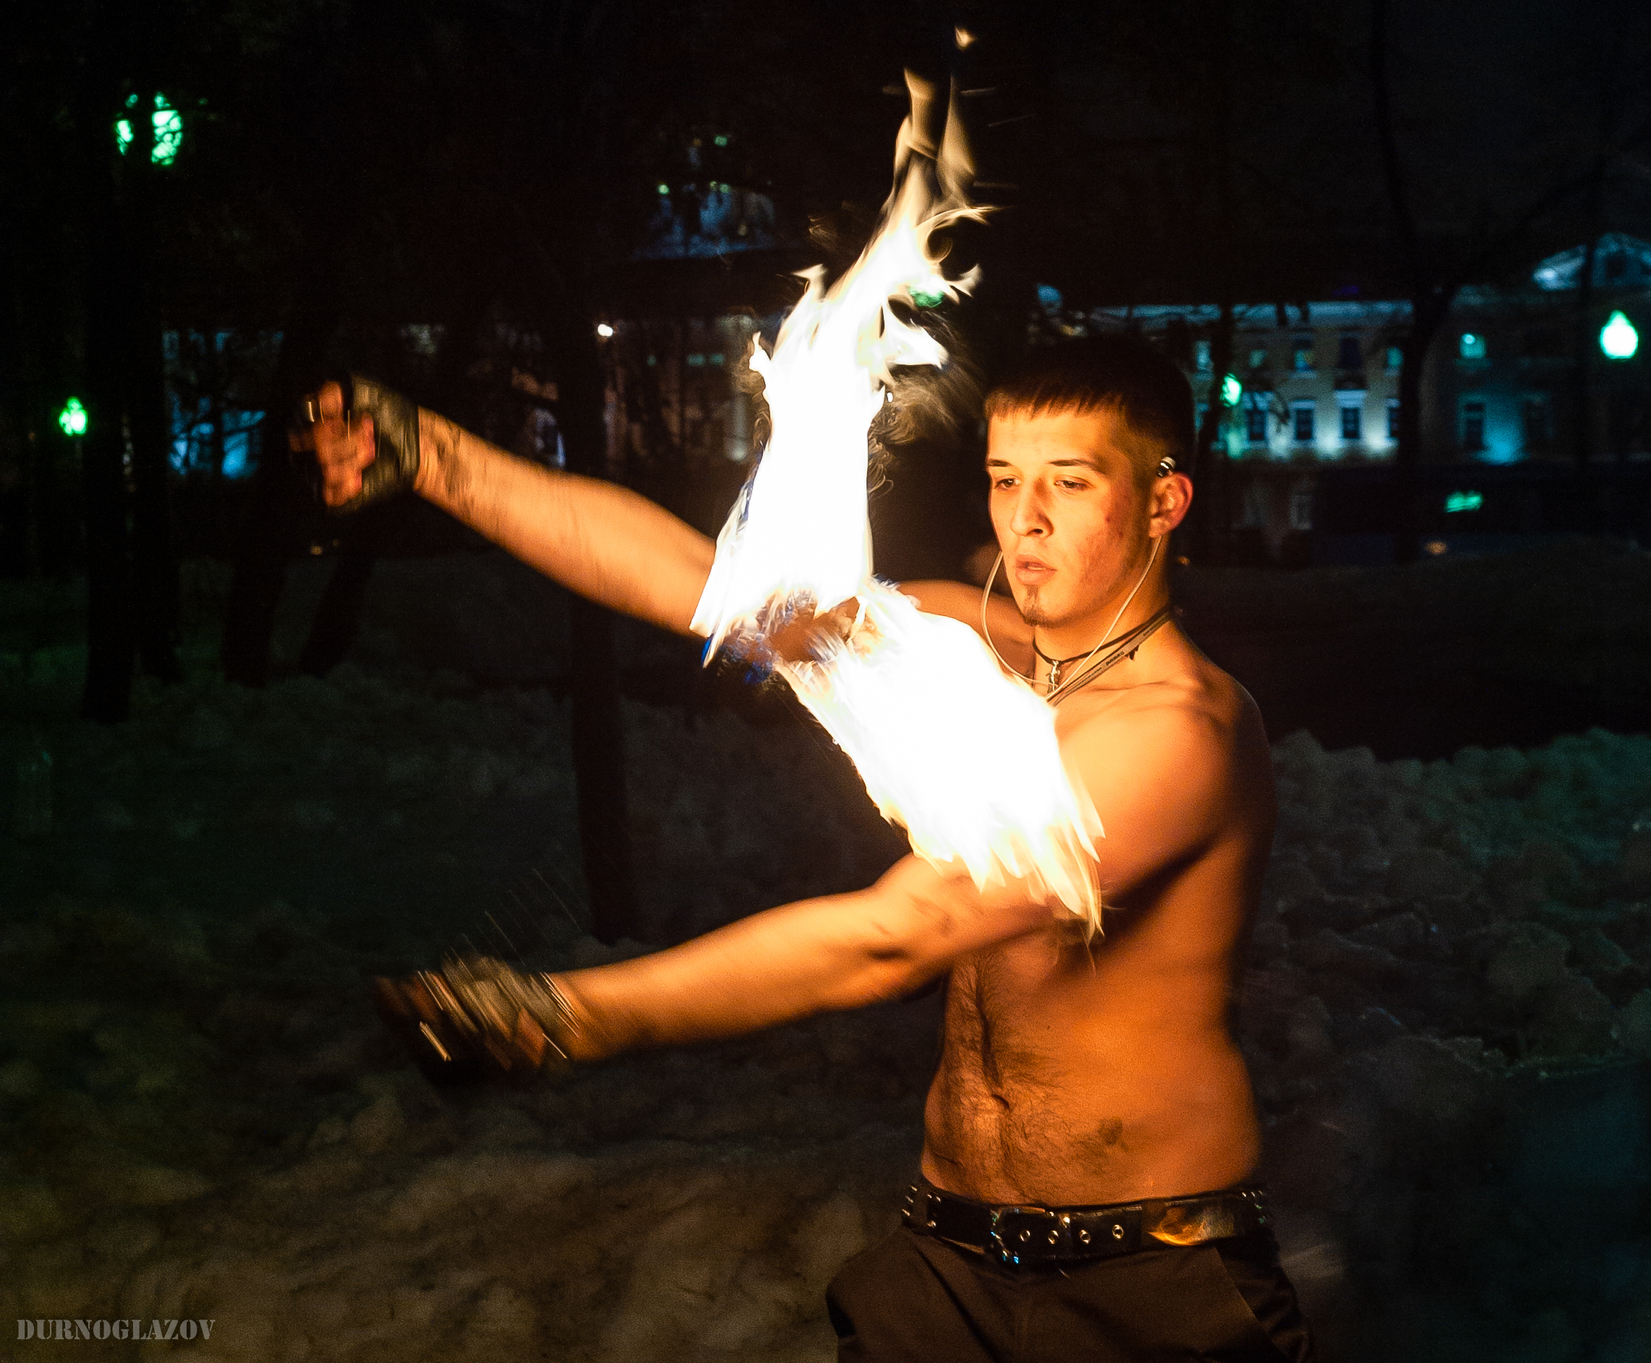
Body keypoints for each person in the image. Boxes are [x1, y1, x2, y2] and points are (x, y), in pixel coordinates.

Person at [300, 334, 1311, 1361]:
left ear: (1161, 501)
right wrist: (434, 458)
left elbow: (900, 933)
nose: (1026, 517)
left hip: (1151, 1283)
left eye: (1070, 480)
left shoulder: (1181, 732)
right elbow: (699, 580)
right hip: (948, 1262)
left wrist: (573, 1016)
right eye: (1005, 478)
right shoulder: (965, 643)